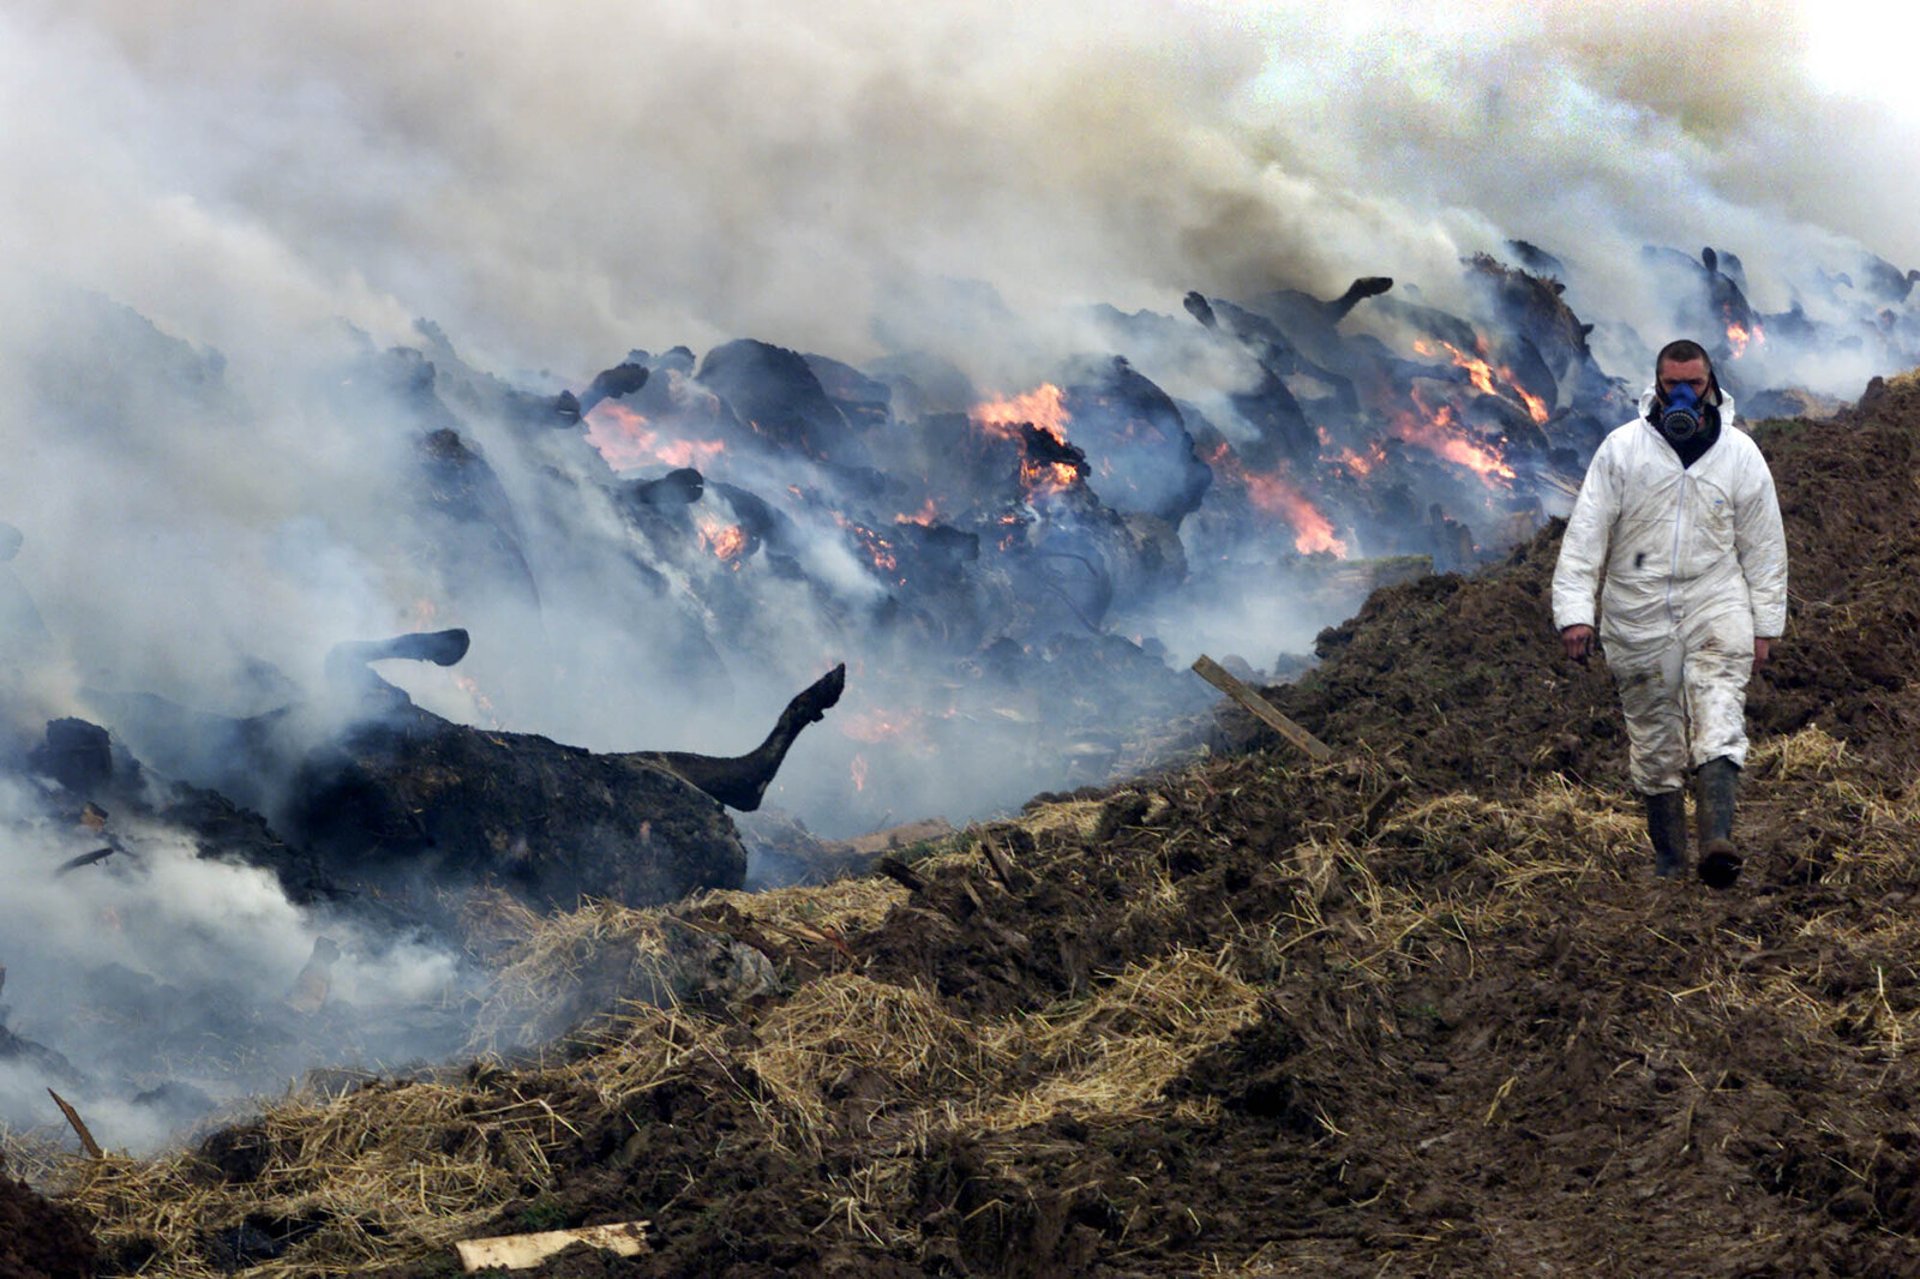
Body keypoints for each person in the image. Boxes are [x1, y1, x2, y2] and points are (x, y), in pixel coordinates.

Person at [1551, 339, 1788, 884]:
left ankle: (1717, 843)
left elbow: (1764, 546)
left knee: (1719, 710)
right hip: (1637, 605)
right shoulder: (1622, 450)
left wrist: (1765, 624)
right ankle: (1669, 862)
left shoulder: (1739, 455)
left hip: (1715, 597)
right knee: (1656, 740)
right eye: (1670, 385)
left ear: (1712, 385)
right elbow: (1586, 534)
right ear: (1655, 386)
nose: (1682, 395)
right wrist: (1574, 613)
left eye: (1694, 385)